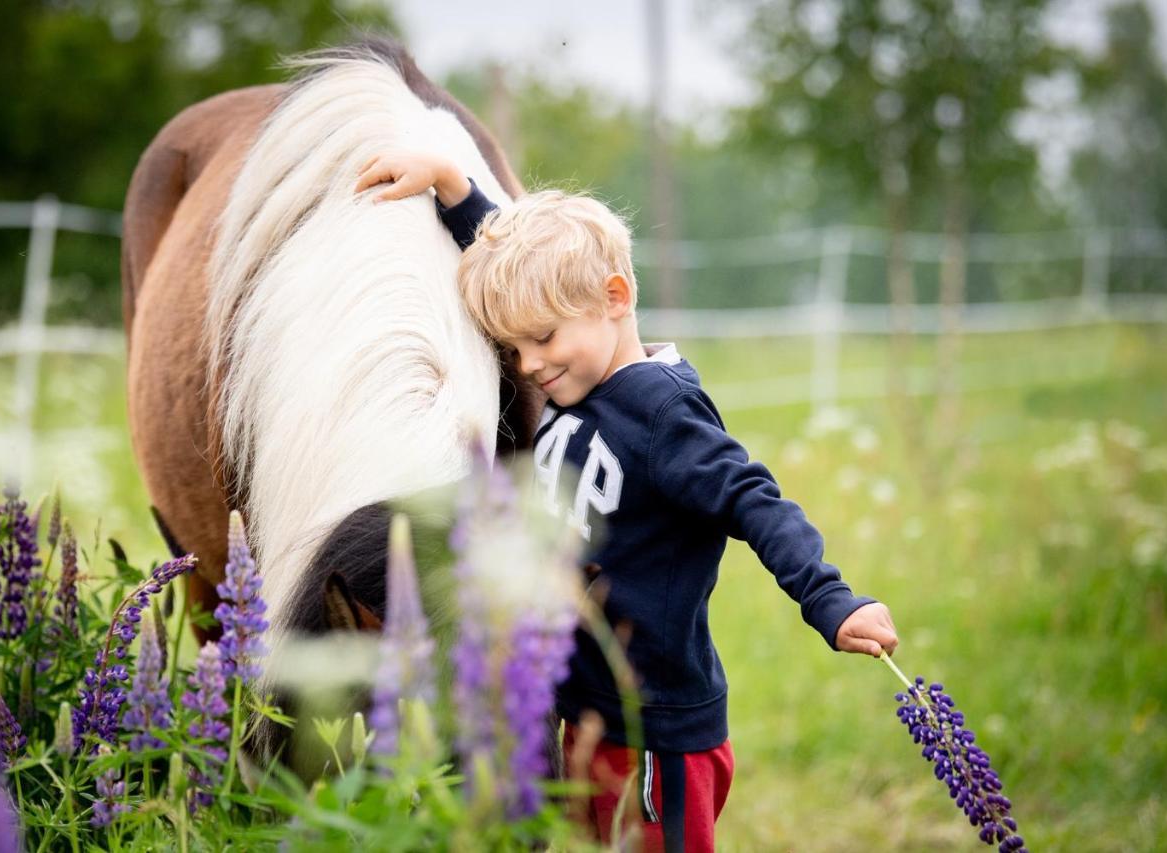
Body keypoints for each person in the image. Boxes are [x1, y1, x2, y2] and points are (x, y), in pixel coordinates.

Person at [355, 153, 900, 853]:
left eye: (543, 339)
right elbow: (516, 265)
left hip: (654, 734)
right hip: (585, 708)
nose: (528, 366)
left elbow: (754, 500)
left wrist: (832, 600)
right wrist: (454, 188)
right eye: (513, 347)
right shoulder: (578, 383)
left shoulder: (664, 414)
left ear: (615, 297)